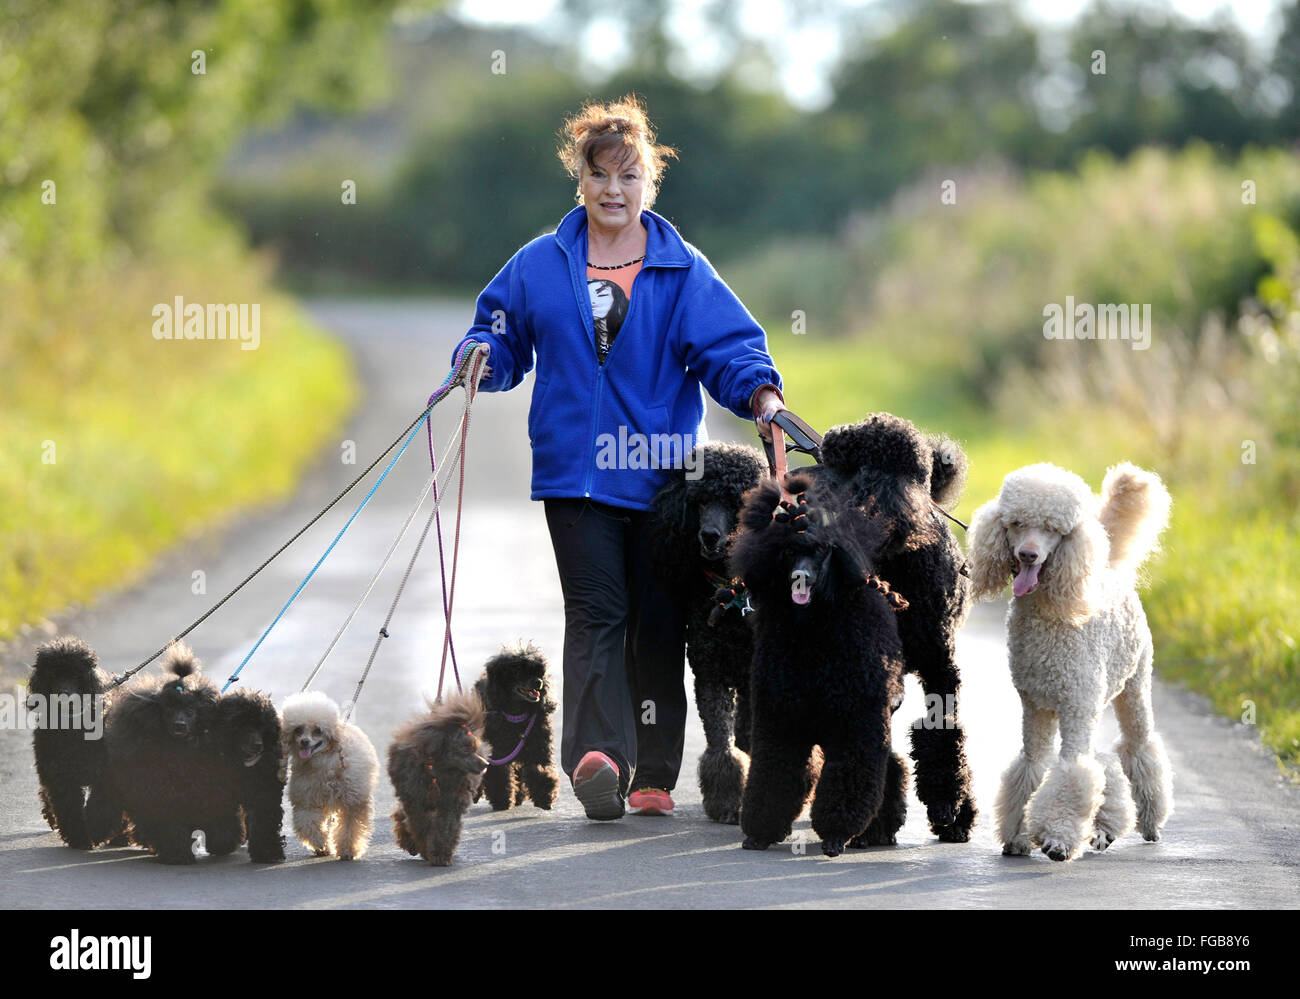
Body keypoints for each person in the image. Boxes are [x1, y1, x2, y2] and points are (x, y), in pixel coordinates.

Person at [451, 95, 785, 820]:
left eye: (628, 176)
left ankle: (653, 773)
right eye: (600, 174)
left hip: (665, 478)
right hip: (575, 474)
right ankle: (596, 757)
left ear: (648, 185)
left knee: (657, 621)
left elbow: (730, 347)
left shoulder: (681, 268)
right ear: (581, 180)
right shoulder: (542, 262)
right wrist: (479, 355)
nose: (613, 189)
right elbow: (498, 331)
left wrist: (760, 393)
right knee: (597, 612)